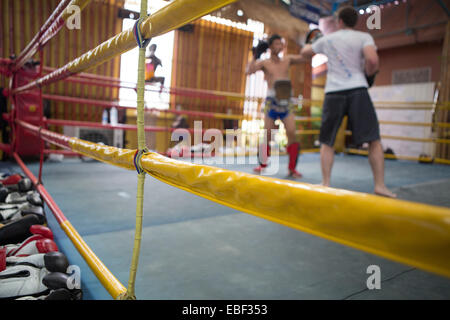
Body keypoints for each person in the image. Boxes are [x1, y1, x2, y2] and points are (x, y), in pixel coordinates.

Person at [300, 6, 396, 198]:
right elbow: (373, 60)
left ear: (339, 21)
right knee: (374, 140)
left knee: (327, 141)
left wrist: (317, 41)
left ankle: (325, 183)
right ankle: (379, 185)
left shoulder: (328, 39)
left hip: (334, 92)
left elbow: (304, 52)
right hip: (357, 90)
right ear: (355, 21)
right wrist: (368, 75)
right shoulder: (364, 37)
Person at [246, 34, 307, 178]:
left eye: (281, 44)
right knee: (267, 134)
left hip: (286, 101)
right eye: (277, 44)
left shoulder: (288, 59)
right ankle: (262, 164)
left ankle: (292, 168)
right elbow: (248, 71)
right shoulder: (264, 63)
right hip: (271, 101)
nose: (279, 46)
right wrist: (255, 55)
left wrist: (309, 45)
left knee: (292, 133)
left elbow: (305, 58)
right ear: (271, 46)